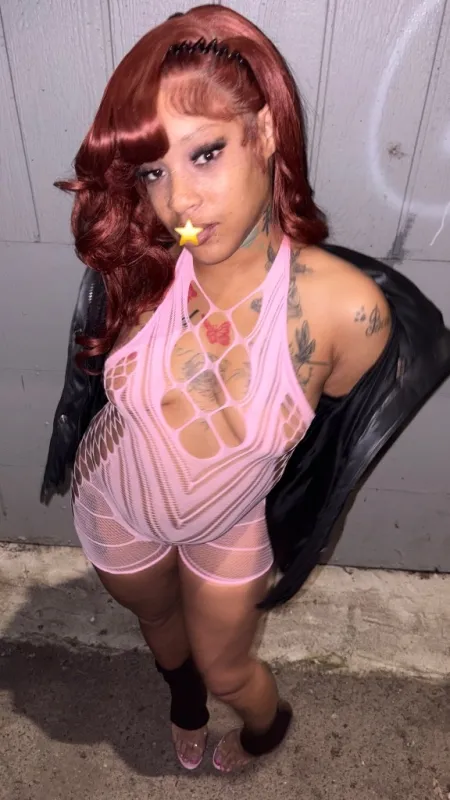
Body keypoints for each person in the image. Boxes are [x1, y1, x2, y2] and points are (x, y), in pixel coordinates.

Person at [40, 3, 450, 775]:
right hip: (116, 500)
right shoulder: (141, 264)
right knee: (161, 630)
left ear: (264, 132)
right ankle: (183, 702)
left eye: (205, 153)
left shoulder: (346, 313)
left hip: (226, 523)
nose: (179, 204)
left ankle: (265, 729)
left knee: (229, 668)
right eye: (154, 171)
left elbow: (327, 449)